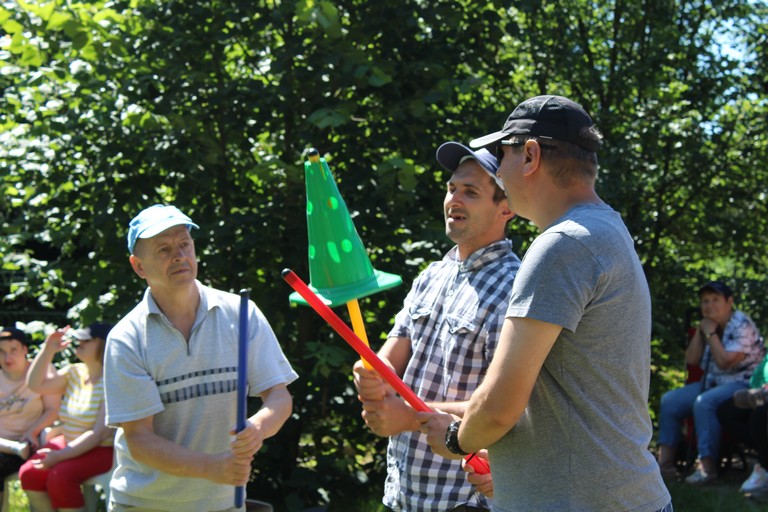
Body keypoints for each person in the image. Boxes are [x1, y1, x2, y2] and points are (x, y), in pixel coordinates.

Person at [416, 95, 672, 511]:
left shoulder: (562, 244)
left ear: (530, 155)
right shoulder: (605, 229)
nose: (499, 171)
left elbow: (499, 408)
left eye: (503, 154)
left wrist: (456, 438)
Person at [352, 141, 519, 511]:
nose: (453, 199)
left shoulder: (515, 288)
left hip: (464, 498)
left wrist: (410, 417)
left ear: (506, 208)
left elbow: (508, 406)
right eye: (451, 188)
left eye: (470, 192)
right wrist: (370, 373)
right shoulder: (432, 275)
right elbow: (391, 355)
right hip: (403, 492)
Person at [104, 204, 298, 511]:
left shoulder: (241, 312)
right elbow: (139, 440)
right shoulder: (126, 338)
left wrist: (259, 427)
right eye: (164, 249)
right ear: (139, 266)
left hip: (224, 504)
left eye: (184, 244)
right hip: (144, 504)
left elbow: (279, 396)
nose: (179, 255)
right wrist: (211, 467)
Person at [657, 281, 764, 484]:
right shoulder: (707, 325)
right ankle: (664, 466)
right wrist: (700, 332)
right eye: (705, 301)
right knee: (670, 400)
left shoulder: (742, 324)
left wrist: (711, 334)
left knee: (704, 402)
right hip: (713, 382)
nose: (709, 305)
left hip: (743, 384)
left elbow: (725, 362)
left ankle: (707, 468)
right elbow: (691, 360)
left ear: (729, 302)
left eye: (715, 300)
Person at [20, 322, 116, 512]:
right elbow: (35, 385)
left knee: (60, 477)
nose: (79, 342)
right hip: (68, 442)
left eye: (86, 340)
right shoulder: (74, 372)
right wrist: (48, 350)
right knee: (29, 473)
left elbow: (99, 434)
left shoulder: (112, 380)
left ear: (103, 344)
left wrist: (59, 456)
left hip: (102, 450)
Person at [0, 326, 59, 505]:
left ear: (25, 349)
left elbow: (53, 410)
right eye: (1, 351)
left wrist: (33, 431)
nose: (7, 358)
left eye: (13, 350)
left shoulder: (42, 371)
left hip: (30, 444)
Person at [716, 347, 768, 496]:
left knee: (759, 415)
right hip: (759, 390)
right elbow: (758, 374)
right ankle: (764, 454)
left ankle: (764, 465)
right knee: (726, 412)